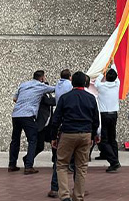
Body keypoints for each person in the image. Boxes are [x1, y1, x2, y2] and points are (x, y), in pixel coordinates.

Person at [50, 72, 101, 201]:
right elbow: (96, 119)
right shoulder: (91, 98)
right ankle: (78, 196)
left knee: (61, 164)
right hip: (85, 134)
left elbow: (56, 119)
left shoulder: (65, 97)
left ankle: (65, 195)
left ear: (72, 82)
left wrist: (53, 137)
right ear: (85, 82)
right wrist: (94, 135)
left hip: (68, 133)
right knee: (81, 166)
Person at [9, 70, 56, 174]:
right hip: (28, 115)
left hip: (16, 115)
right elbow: (55, 89)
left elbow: (14, 98)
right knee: (33, 140)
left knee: (15, 140)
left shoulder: (23, 85)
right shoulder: (41, 86)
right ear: (42, 78)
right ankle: (28, 166)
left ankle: (12, 164)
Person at [49, 69, 74, 197]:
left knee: (59, 160)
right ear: (70, 77)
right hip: (69, 123)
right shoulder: (69, 87)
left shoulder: (58, 84)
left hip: (61, 124)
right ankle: (77, 188)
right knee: (76, 162)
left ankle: (54, 187)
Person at [95, 68, 121, 172]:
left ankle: (114, 161)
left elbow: (97, 81)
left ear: (106, 77)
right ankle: (115, 158)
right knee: (112, 138)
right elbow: (117, 75)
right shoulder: (117, 84)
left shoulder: (101, 86)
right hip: (114, 114)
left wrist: (102, 72)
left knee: (104, 140)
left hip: (104, 114)